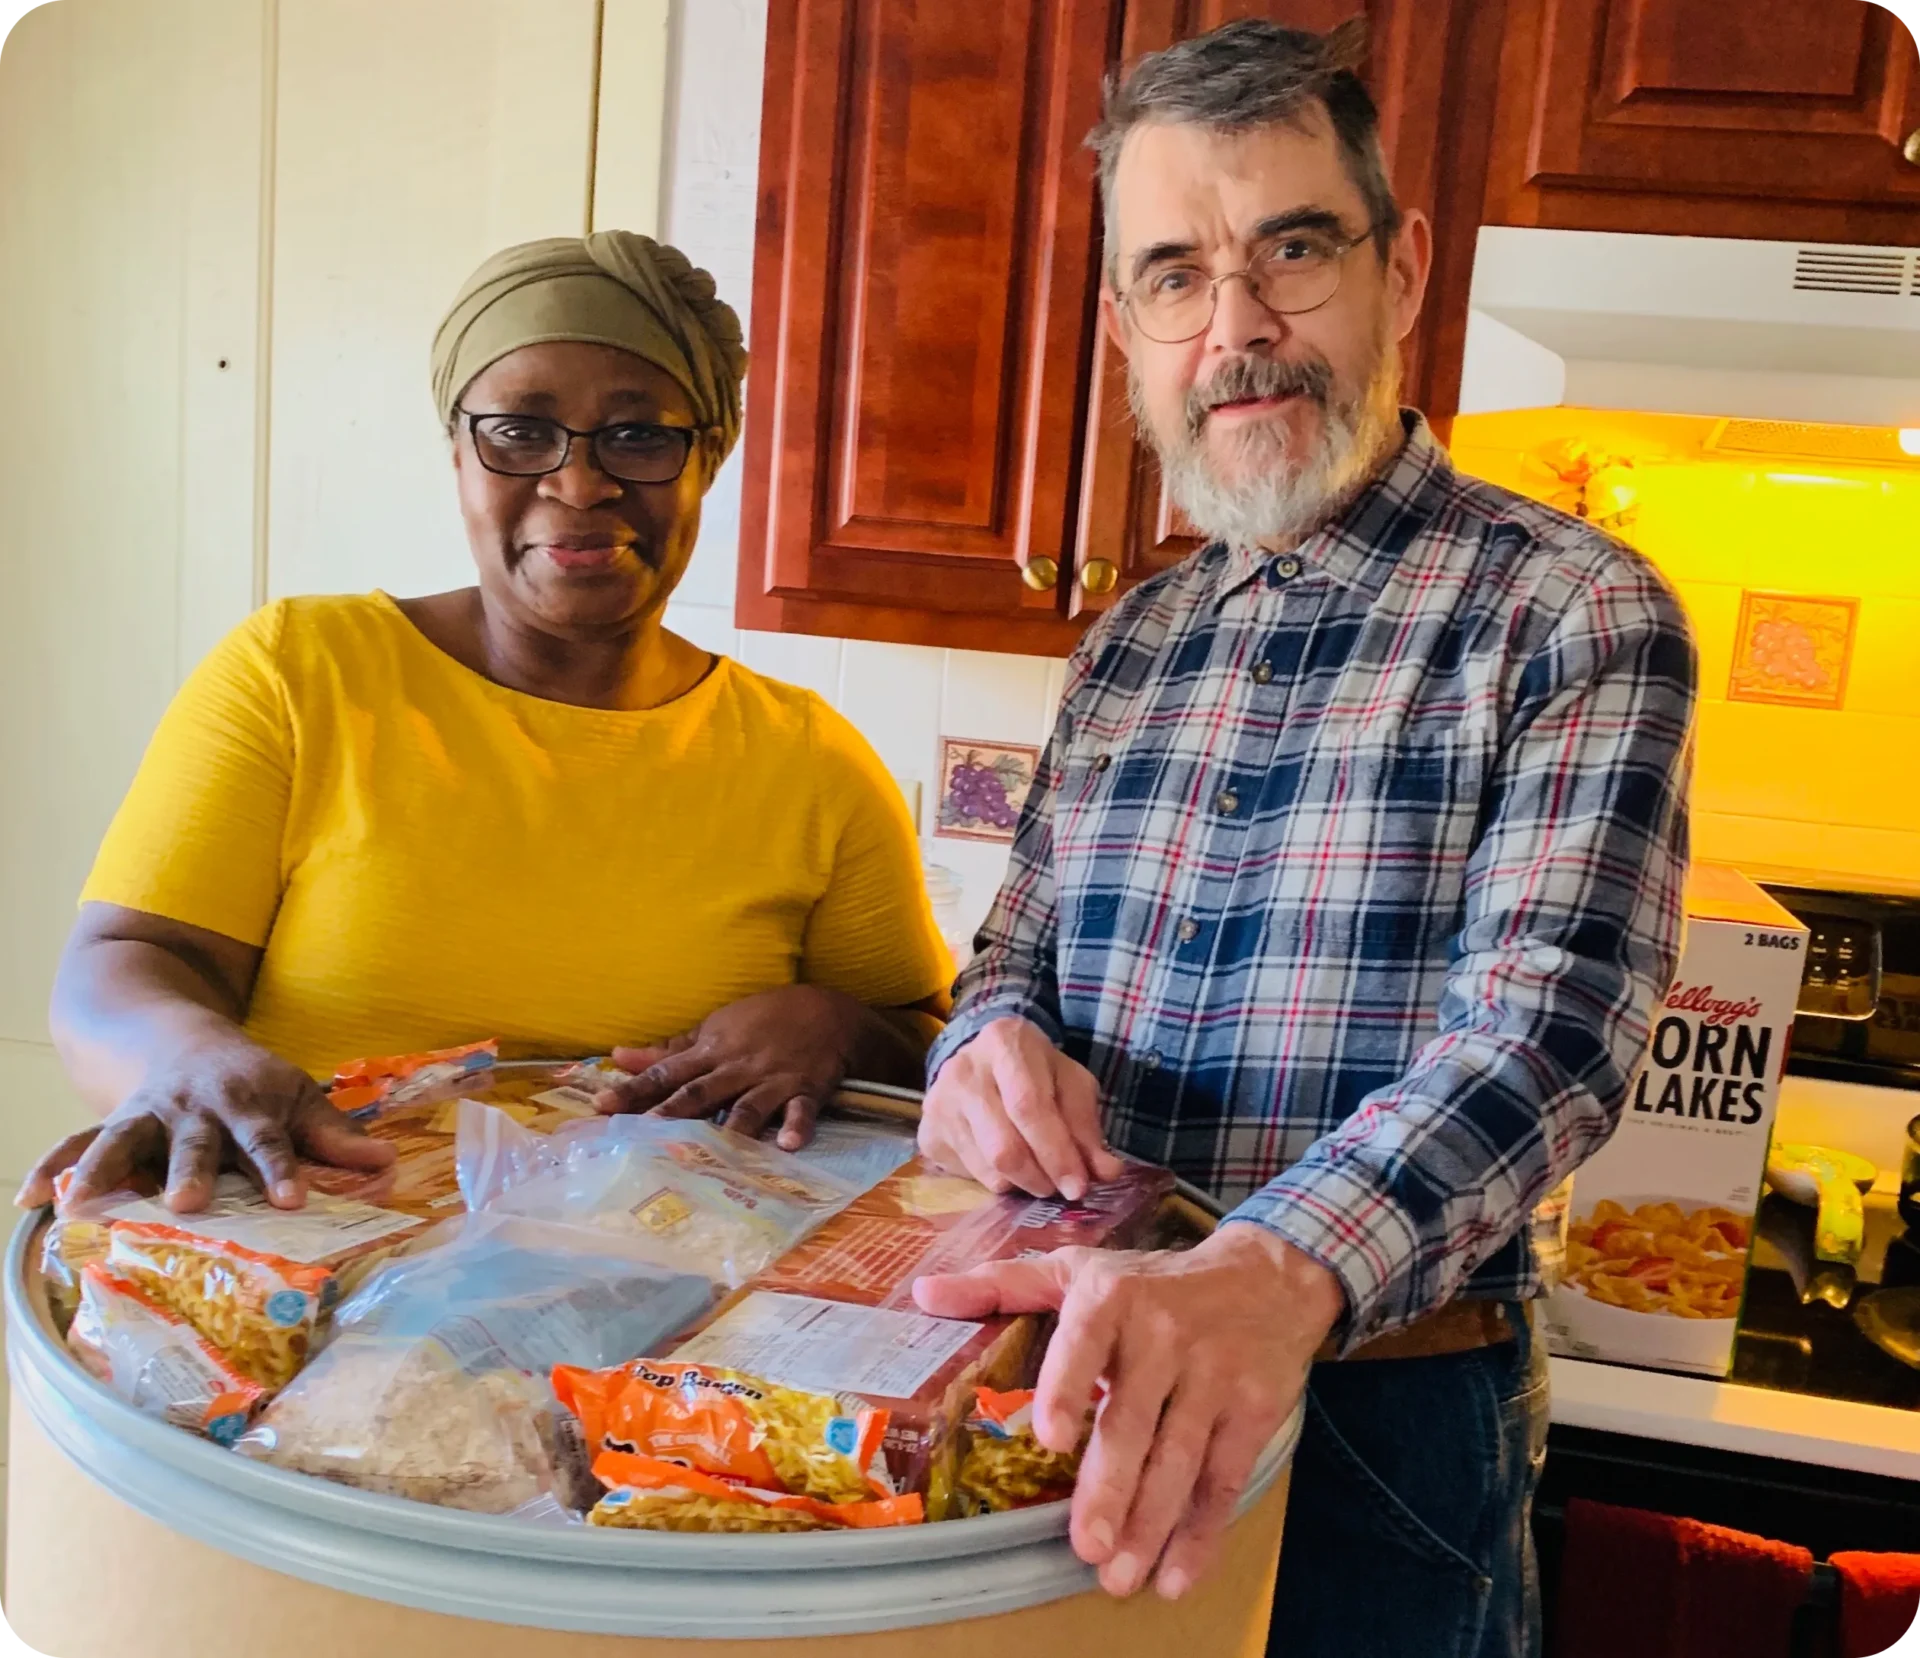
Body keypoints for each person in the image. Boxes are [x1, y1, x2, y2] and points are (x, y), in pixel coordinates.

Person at [910, 20, 1695, 1658]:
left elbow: (1554, 1031)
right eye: (1179, 274)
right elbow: (1016, 949)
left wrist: (1272, 1270)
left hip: (1378, 1428)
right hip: (1067, 1387)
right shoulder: (1130, 641)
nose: (1241, 328)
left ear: (1403, 268)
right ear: (1129, 324)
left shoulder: (1570, 611)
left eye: (1293, 249)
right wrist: (991, 1040)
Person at [20, 230, 950, 1218]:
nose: (579, 483)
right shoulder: (301, 673)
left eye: (638, 435)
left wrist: (832, 1023)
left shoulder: (809, 762)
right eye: (520, 430)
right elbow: (121, 965)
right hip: (290, 1292)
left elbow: (928, 1035)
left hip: (649, 1336)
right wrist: (189, 1053)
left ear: (705, 463)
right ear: (459, 450)